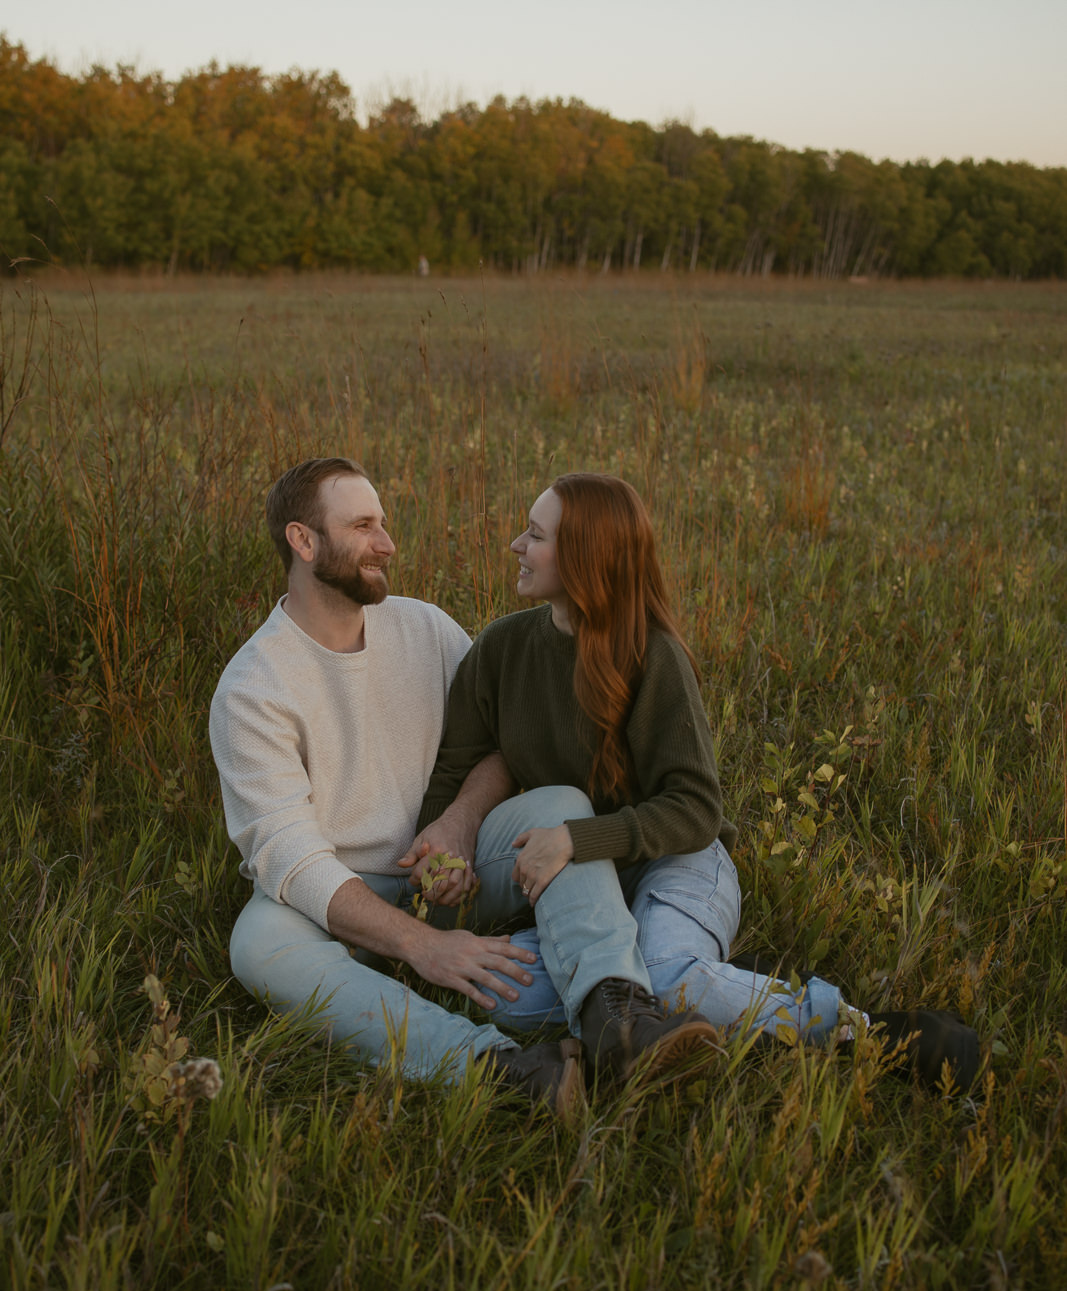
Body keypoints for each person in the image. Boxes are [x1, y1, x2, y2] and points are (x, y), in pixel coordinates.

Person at [415, 472, 980, 1094]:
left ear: (585, 558)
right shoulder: (501, 648)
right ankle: (728, 981)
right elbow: (454, 768)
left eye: (535, 535)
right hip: (583, 884)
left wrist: (578, 839)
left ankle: (875, 1034)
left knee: (661, 980)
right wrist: (445, 847)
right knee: (505, 997)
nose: (516, 547)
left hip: (676, 858)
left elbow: (696, 810)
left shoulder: (652, 656)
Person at [209, 458, 718, 1121]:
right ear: (303, 542)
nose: (387, 545)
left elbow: (497, 744)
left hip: (464, 862)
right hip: (339, 893)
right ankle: (500, 1068)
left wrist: (456, 824)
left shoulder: (426, 629)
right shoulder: (254, 688)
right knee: (258, 946)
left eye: (383, 524)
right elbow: (291, 860)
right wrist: (421, 946)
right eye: (363, 526)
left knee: (561, 807)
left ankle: (618, 1017)